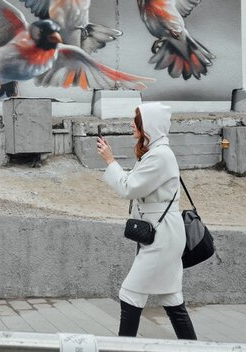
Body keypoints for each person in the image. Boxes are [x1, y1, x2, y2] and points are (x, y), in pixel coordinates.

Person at [95, 102, 197, 340]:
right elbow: (134, 181)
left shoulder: (160, 156)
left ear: (149, 125)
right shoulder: (155, 153)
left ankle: (122, 347)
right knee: (172, 298)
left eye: (137, 120)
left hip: (162, 236)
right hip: (163, 233)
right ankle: (194, 347)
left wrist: (110, 161)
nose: (132, 124)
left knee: (130, 294)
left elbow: (129, 187)